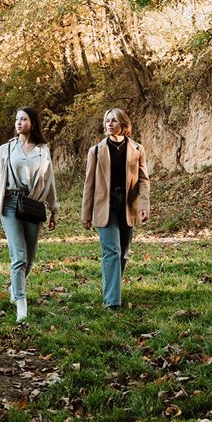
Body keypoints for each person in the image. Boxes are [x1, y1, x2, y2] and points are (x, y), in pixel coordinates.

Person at [0, 107, 58, 323]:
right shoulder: (6, 149)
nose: (18, 122)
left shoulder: (43, 150)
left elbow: (50, 180)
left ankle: (15, 288)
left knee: (30, 260)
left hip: (33, 204)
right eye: (17, 119)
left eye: (23, 119)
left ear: (32, 123)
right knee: (19, 257)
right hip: (9, 203)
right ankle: (21, 305)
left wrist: (54, 209)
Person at [81, 108, 150, 310]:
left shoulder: (138, 149)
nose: (109, 124)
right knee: (112, 250)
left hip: (128, 205)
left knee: (123, 252)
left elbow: (144, 180)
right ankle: (113, 301)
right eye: (107, 121)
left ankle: (111, 289)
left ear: (123, 125)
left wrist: (144, 205)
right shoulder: (95, 151)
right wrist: (86, 213)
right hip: (105, 205)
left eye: (114, 121)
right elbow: (89, 183)